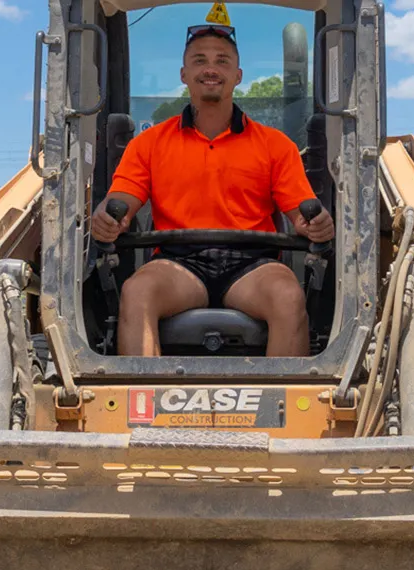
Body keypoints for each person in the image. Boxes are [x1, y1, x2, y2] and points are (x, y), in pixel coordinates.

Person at [90, 22, 333, 357]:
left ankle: (279, 407)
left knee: (288, 296)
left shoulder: (276, 146)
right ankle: (144, 407)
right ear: (184, 73)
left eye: (222, 61)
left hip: (253, 265)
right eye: (199, 60)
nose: (210, 68)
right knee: (137, 291)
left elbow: (303, 210)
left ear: (237, 75)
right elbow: (121, 201)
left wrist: (317, 223)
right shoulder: (148, 144)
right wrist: (107, 216)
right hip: (177, 264)